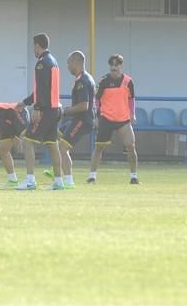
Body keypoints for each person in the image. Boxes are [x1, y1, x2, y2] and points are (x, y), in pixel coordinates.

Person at [15, 33, 63, 191]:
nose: (33, 49)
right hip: (56, 108)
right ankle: (58, 181)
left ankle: (30, 181)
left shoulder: (42, 63)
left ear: (37, 45)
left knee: (28, 141)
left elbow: (42, 89)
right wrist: (25, 102)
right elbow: (44, 89)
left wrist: (37, 108)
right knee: (52, 145)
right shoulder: (54, 62)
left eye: (33, 46)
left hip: (46, 110)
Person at [42, 51, 95, 189]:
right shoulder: (81, 79)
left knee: (62, 148)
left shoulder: (83, 81)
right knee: (59, 140)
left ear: (76, 62)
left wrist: (64, 111)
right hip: (76, 119)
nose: (67, 66)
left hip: (82, 120)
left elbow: (84, 106)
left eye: (69, 63)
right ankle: (61, 174)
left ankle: (67, 180)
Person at [88, 54, 139, 184]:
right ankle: (92, 176)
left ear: (121, 66)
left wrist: (132, 114)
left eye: (116, 65)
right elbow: (97, 100)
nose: (114, 67)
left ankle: (134, 177)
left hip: (123, 119)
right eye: (112, 65)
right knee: (99, 148)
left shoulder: (128, 81)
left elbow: (131, 99)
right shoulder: (103, 81)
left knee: (131, 147)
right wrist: (97, 117)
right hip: (106, 118)